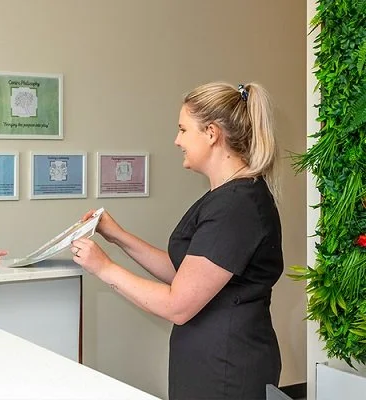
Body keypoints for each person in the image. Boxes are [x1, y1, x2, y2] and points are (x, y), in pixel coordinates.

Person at [71, 82, 282, 400]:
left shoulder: (237, 205)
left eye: (183, 130)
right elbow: (184, 272)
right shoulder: (224, 196)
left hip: (227, 367)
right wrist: (118, 237)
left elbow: (178, 305)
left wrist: (104, 268)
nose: (177, 140)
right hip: (206, 359)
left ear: (211, 133)